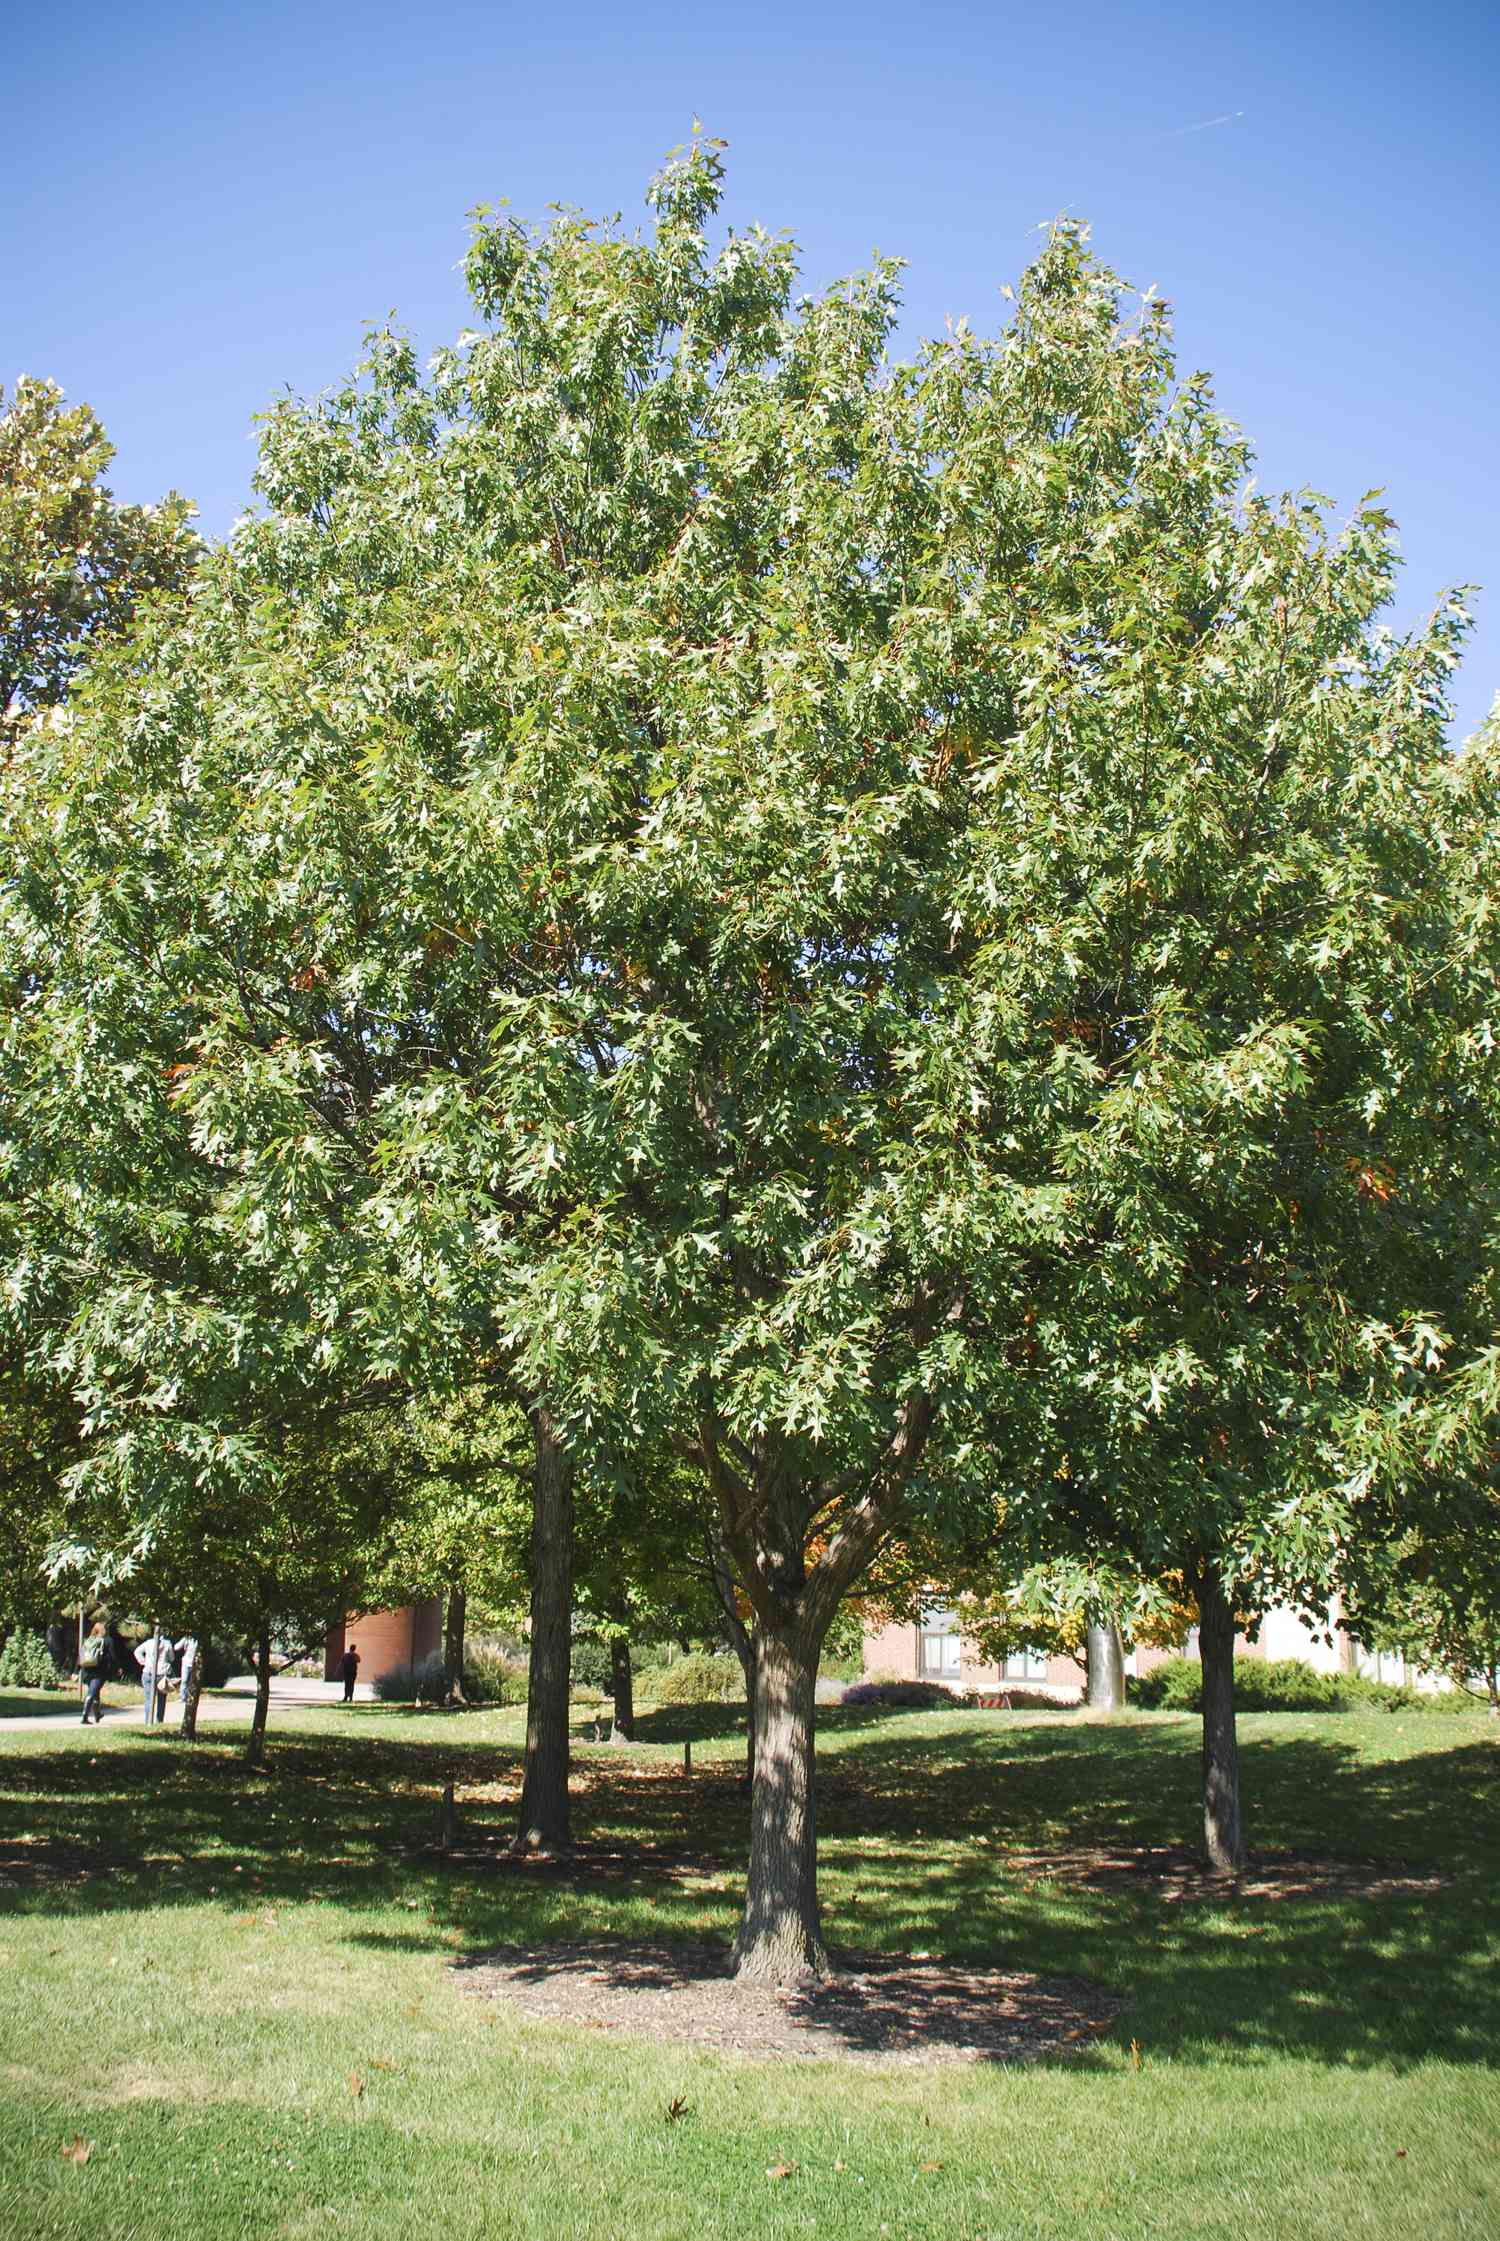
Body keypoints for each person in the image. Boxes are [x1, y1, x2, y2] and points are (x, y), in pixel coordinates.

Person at [134, 1626, 168, 1725]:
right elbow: (172, 1657)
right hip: (161, 1673)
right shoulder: (167, 1644)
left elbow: (137, 1651)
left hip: (148, 1672)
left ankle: (148, 1721)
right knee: (161, 1699)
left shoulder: (148, 1643)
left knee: (148, 1698)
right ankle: (159, 1720)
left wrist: (143, 1661)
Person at [79, 1622, 112, 1724]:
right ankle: (84, 1716)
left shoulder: (87, 1641)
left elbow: (80, 1656)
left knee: (95, 1691)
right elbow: (112, 1656)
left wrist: (76, 1670)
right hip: (98, 1672)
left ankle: (97, 1714)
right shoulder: (106, 1641)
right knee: (92, 1693)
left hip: (86, 1671)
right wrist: (116, 1668)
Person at [174, 1633, 200, 1726]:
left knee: (192, 1682)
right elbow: (176, 1647)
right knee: (184, 1681)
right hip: (186, 1662)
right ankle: (183, 1697)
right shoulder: (187, 1639)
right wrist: (183, 1643)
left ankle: (190, 1697)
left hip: (195, 1663)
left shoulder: (199, 1640)